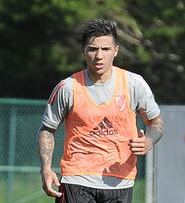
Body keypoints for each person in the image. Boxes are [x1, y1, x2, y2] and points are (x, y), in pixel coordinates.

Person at [38, 19, 164, 203]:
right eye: (92, 49)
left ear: (116, 51)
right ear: (83, 51)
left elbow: (157, 123)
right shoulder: (68, 88)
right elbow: (47, 130)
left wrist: (148, 141)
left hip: (120, 182)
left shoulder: (133, 84)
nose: (99, 56)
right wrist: (46, 169)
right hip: (77, 179)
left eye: (105, 49)